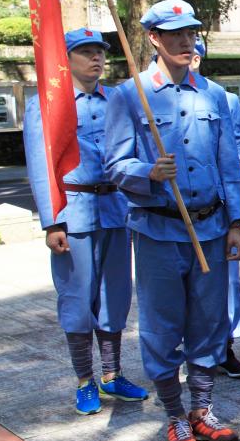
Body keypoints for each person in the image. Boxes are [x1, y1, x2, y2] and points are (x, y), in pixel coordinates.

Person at [104, 0, 240, 441]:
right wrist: (147, 172)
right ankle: (172, 415)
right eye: (174, 35)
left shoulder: (214, 96)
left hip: (208, 228)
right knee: (162, 328)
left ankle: (202, 410)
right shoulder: (131, 95)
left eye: (190, 33)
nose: (185, 42)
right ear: (154, 40)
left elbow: (229, 163)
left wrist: (238, 223)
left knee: (209, 324)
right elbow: (114, 163)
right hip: (158, 231)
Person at [24, 28, 147, 415]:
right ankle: (84, 380)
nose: (96, 59)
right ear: (67, 58)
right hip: (73, 210)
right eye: (86, 52)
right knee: (77, 300)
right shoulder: (48, 105)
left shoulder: (117, 100)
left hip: (114, 208)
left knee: (115, 297)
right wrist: (51, 222)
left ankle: (112, 375)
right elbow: (40, 166)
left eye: (100, 52)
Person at [190, 40, 240, 380]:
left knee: (227, 283)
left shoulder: (224, 99)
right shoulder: (147, 97)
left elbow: (235, 154)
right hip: (177, 212)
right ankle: (193, 350)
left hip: (217, 208)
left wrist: (238, 216)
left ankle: (225, 345)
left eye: (195, 53)